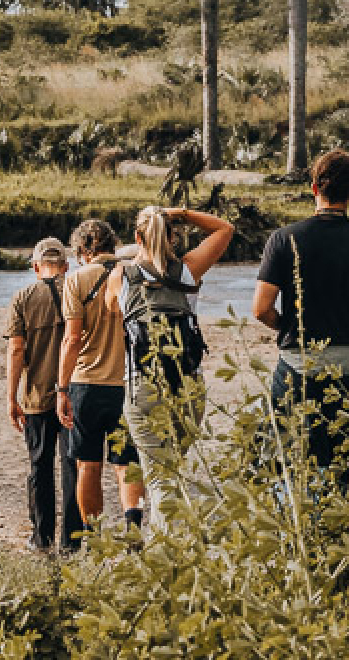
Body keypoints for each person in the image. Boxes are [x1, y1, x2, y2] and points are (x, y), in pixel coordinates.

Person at [253, 149, 349, 493]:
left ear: (313, 188)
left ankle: (295, 530)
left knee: (285, 454)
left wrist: (288, 326)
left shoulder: (283, 239)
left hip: (297, 365)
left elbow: (260, 309)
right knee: (344, 460)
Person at [114, 203, 235, 522]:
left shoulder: (121, 276)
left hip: (143, 383)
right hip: (188, 382)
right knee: (172, 471)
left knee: (157, 477)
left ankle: (166, 555)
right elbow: (224, 229)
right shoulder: (189, 270)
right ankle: (175, 546)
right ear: (174, 238)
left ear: (138, 237)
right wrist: (181, 212)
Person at [56, 219, 135, 543]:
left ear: (81, 251)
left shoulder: (76, 280)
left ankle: (95, 536)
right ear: (112, 245)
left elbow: (71, 340)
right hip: (127, 382)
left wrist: (62, 389)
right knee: (127, 464)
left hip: (86, 383)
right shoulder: (131, 275)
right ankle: (133, 527)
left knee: (88, 465)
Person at [3, 237, 74, 551]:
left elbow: (16, 350)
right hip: (74, 394)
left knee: (39, 467)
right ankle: (73, 540)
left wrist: (11, 397)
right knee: (73, 466)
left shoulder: (23, 297)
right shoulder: (78, 293)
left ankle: (41, 536)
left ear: (35, 267)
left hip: (35, 397)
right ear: (66, 266)